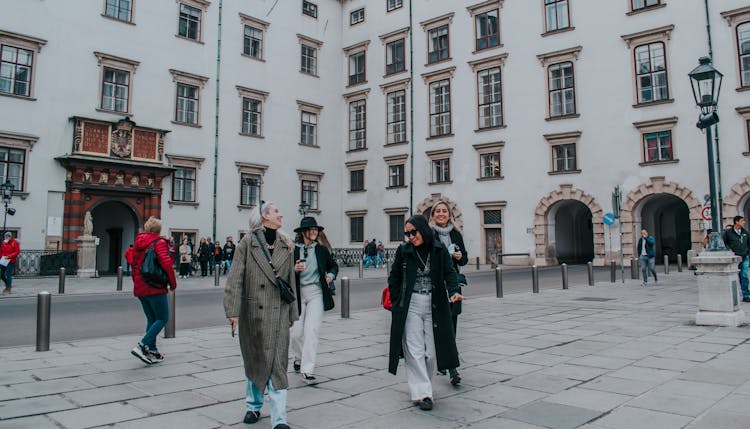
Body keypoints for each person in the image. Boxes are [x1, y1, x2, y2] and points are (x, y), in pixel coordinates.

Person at [224, 202, 297, 429]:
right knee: (256, 361)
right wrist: (233, 311)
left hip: (278, 312)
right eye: (276, 211)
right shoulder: (247, 243)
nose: (281, 214)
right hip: (253, 314)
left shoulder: (286, 245)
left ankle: (279, 419)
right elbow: (235, 278)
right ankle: (253, 406)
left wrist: (293, 312)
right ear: (265, 217)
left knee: (277, 364)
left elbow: (290, 283)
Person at [387, 215, 464, 411]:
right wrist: (397, 301)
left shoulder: (438, 250)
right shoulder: (404, 251)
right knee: (414, 350)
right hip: (411, 303)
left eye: (414, 232)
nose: (411, 236)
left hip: (434, 303)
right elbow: (394, 277)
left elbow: (449, 273)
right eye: (407, 233)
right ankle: (423, 393)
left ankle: (425, 386)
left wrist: (454, 292)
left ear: (423, 229)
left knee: (432, 352)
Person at [291, 217, 338, 383]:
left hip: (316, 292)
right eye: (311, 229)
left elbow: (333, 265)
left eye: (316, 229)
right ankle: (298, 356)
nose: (314, 232)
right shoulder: (292, 250)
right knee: (295, 334)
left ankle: (307, 369)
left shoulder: (321, 250)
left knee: (311, 331)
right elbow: (282, 271)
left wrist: (330, 276)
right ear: (303, 232)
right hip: (297, 294)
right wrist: (294, 269)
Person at [429, 200, 468, 386]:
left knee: (452, 325)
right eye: (438, 211)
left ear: (449, 214)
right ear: (433, 215)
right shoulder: (428, 233)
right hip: (435, 284)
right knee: (436, 324)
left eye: (444, 211)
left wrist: (459, 257)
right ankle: (444, 362)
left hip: (453, 284)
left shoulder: (456, 234)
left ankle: (451, 367)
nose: (441, 214)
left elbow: (465, 259)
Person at [130, 217, 177, 364]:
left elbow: (133, 263)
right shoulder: (159, 242)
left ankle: (152, 351)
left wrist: (136, 283)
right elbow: (167, 264)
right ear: (158, 229)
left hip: (140, 286)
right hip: (154, 286)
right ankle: (142, 345)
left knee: (152, 318)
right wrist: (172, 283)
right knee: (163, 318)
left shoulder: (139, 242)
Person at [724, 215, 750, 302]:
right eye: (742, 221)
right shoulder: (728, 232)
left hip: (744, 257)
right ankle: (730, 295)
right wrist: (729, 250)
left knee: (744, 276)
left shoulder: (745, 232)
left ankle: (746, 295)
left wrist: (748, 253)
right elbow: (724, 243)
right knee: (732, 277)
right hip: (734, 258)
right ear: (736, 222)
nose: (744, 222)